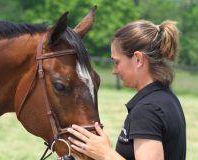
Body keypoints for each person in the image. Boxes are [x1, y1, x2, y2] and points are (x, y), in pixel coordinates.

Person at [67, 20, 186, 160]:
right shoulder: (166, 99)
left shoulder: (147, 110)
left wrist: (106, 154)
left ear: (138, 59)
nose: (114, 71)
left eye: (117, 62)